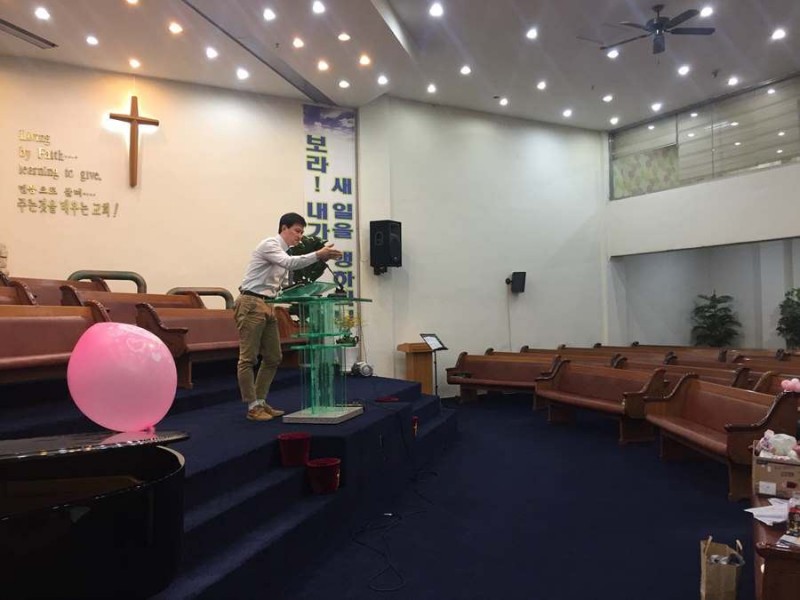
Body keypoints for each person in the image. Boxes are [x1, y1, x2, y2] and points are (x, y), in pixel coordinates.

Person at [235, 212, 342, 421]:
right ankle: (252, 406)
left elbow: (284, 284)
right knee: (248, 358)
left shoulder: (284, 252)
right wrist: (318, 255)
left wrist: (310, 282)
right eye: (297, 231)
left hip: (269, 304)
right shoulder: (270, 245)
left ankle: (261, 401)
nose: (299, 236)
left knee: (274, 357)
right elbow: (290, 263)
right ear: (284, 228)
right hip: (251, 302)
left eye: (302, 232)